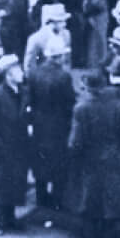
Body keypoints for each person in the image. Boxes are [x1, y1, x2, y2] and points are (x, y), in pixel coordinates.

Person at [64, 63, 120, 238]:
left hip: (89, 158)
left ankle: (90, 233)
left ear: (88, 87)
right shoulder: (117, 106)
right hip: (113, 155)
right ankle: (109, 232)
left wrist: (73, 154)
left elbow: (75, 140)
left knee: (90, 198)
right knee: (111, 197)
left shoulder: (81, 108)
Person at [0, 53, 30, 235]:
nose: (21, 72)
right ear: (8, 74)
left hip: (19, 147)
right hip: (3, 148)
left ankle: (10, 218)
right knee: (0, 185)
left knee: (14, 184)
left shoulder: (23, 92)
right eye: (17, 69)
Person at [25, 34, 75, 209]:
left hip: (39, 123)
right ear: (60, 56)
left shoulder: (34, 73)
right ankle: (57, 199)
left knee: (40, 161)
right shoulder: (64, 77)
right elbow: (70, 103)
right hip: (59, 125)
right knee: (59, 162)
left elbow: (28, 100)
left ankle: (40, 196)